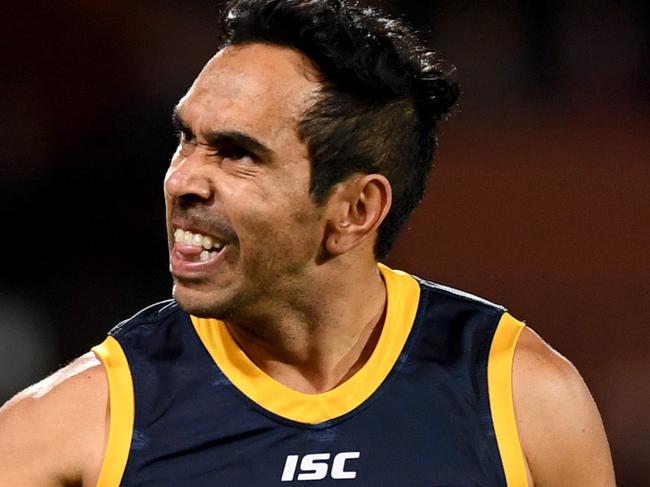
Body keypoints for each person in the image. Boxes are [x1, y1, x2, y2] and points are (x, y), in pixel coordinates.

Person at [0, 0, 615, 485]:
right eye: (185, 138)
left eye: (237, 153)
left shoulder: (522, 400)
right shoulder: (66, 428)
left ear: (355, 209)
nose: (183, 179)